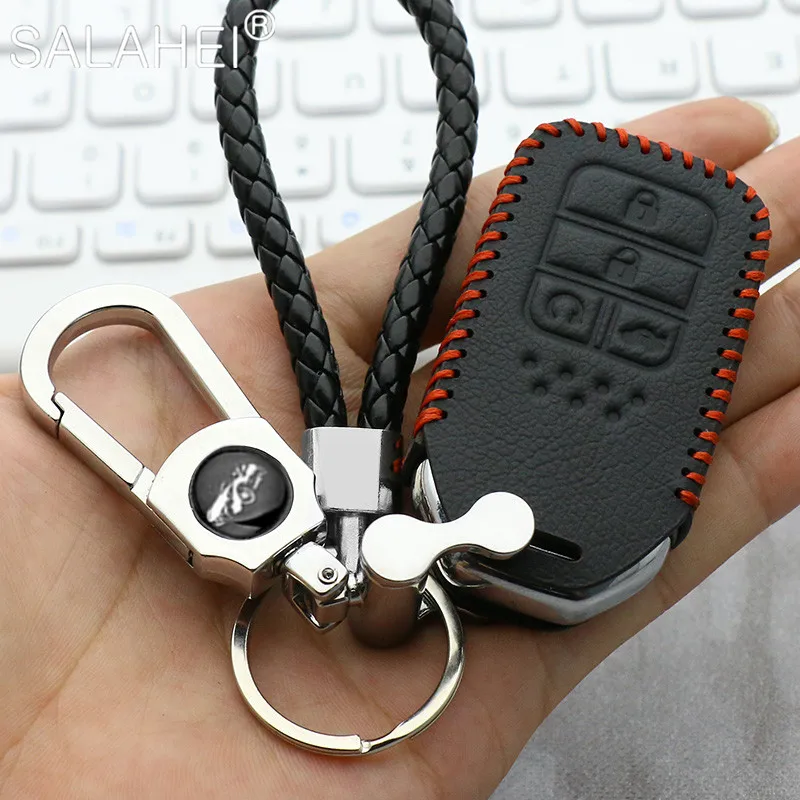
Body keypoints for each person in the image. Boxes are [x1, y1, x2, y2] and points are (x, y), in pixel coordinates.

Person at [0, 97, 795, 799]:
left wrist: (356, 535)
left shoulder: (363, 500)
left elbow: (358, 504)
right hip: (426, 514)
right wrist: (353, 541)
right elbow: (353, 508)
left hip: (488, 516)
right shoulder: (351, 503)